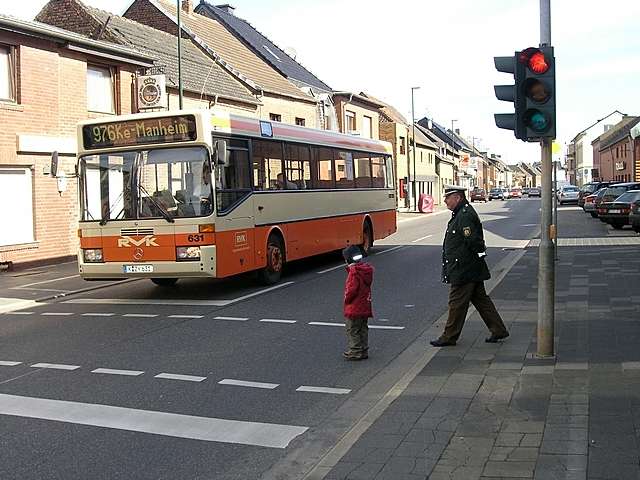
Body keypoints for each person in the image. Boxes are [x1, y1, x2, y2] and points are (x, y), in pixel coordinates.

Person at [430, 186, 509, 347]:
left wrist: (476, 258)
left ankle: (449, 336)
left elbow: (473, 241)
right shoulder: (461, 213)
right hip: (468, 267)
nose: (445, 201)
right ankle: (498, 329)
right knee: (481, 300)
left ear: (457, 198)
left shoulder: (464, 215)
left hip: (465, 268)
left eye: (448, 198)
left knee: (456, 303)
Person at [342, 245, 374, 360]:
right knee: (363, 328)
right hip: (365, 305)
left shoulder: (353, 273)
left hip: (354, 307)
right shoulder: (365, 270)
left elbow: (351, 291)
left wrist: (346, 300)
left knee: (352, 329)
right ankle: (364, 349)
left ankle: (355, 351)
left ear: (347, 260)